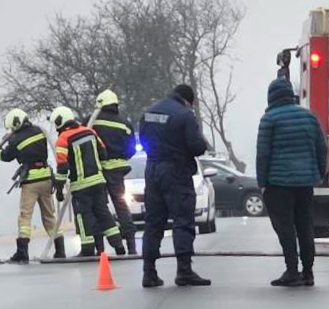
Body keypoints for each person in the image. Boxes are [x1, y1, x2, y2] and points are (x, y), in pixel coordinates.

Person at [256, 78, 327, 287]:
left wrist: (262, 182)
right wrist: (319, 173)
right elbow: (322, 148)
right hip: (305, 183)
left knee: (285, 228)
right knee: (305, 226)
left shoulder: (269, 119)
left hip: (278, 183)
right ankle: (308, 272)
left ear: (271, 97)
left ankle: (292, 271)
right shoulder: (309, 116)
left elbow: (263, 154)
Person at [138, 84, 210, 288]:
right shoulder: (185, 115)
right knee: (182, 220)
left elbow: (143, 139)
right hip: (176, 171)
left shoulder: (149, 112)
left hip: (152, 169)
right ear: (188, 101)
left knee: (153, 222)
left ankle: (149, 272)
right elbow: (197, 147)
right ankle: (184, 271)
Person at [51, 106, 126, 257]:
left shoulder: (63, 139)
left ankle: (87, 249)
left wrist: (59, 189)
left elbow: (62, 167)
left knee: (83, 217)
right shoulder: (90, 132)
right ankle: (118, 245)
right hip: (98, 182)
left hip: (81, 186)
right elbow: (103, 153)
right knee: (104, 214)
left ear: (60, 121)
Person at [0, 108, 65, 262]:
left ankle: (22, 252)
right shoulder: (39, 131)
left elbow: (6, 156)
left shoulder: (15, 139)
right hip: (46, 179)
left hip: (30, 182)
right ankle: (60, 250)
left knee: (25, 217)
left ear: (15, 123)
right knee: (49, 216)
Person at [91, 89, 138, 255]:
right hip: (118, 171)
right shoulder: (125, 124)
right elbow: (132, 149)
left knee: (99, 208)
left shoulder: (92, 122)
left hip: (98, 170)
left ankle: (100, 249)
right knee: (121, 205)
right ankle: (131, 246)